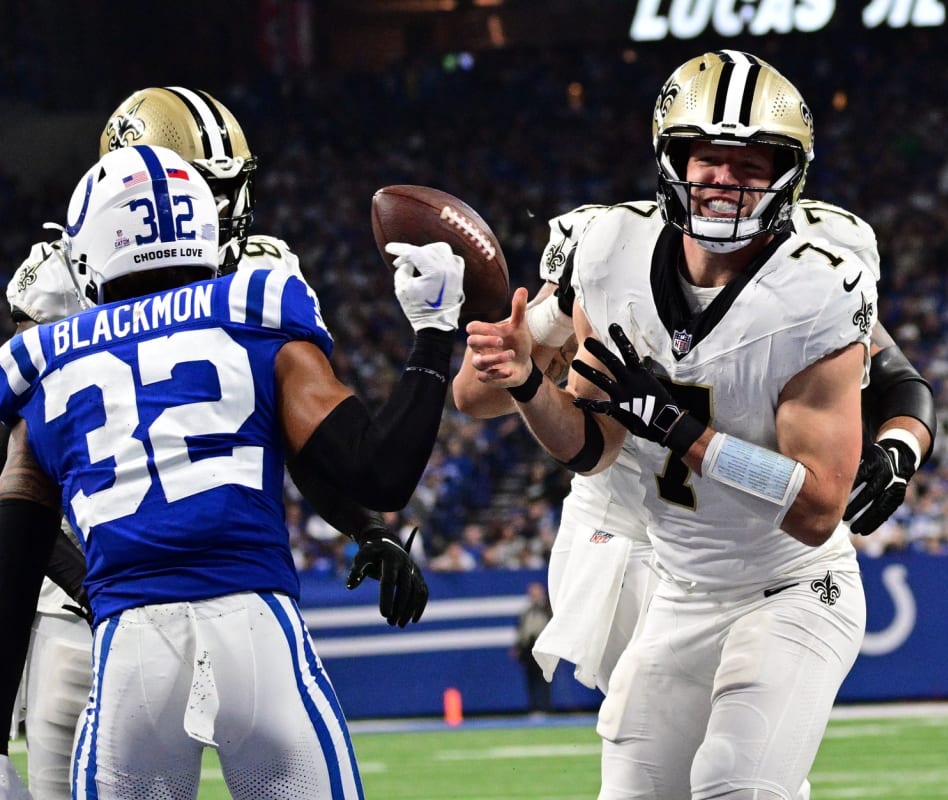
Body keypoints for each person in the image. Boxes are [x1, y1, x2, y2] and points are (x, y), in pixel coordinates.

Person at [465, 49, 877, 798]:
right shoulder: (610, 252)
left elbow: (819, 509)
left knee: (735, 785)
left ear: (789, 174)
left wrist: (684, 432)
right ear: (670, 158)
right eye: (706, 157)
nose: (724, 178)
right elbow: (591, 446)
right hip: (682, 591)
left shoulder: (819, 287)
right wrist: (528, 382)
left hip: (791, 586)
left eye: (751, 161)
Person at [0, 144, 461, 798]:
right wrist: (434, 330)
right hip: (256, 635)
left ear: (86, 254)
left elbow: (15, 559)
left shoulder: (45, 361)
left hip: (129, 647)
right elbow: (380, 474)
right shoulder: (256, 311)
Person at [512, 582, 554, 715]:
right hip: (529, 648)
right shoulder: (526, 612)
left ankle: (545, 706)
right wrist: (518, 647)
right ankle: (534, 706)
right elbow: (521, 630)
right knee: (531, 678)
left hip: (543, 647)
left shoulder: (547, 610)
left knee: (545, 677)